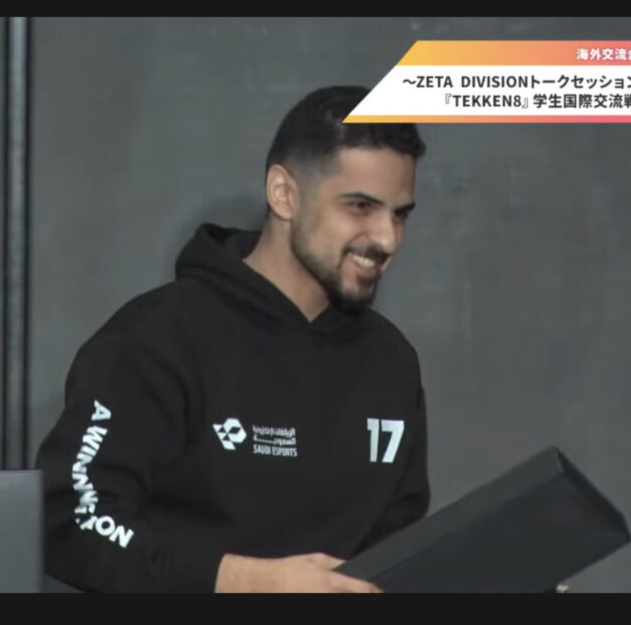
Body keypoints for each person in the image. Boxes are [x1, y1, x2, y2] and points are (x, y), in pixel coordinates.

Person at [34, 85, 430, 593]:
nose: (387, 238)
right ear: (283, 194)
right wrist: (245, 581)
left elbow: (401, 552)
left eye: (400, 214)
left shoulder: (391, 364)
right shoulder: (156, 340)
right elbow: (69, 521)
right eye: (360, 206)